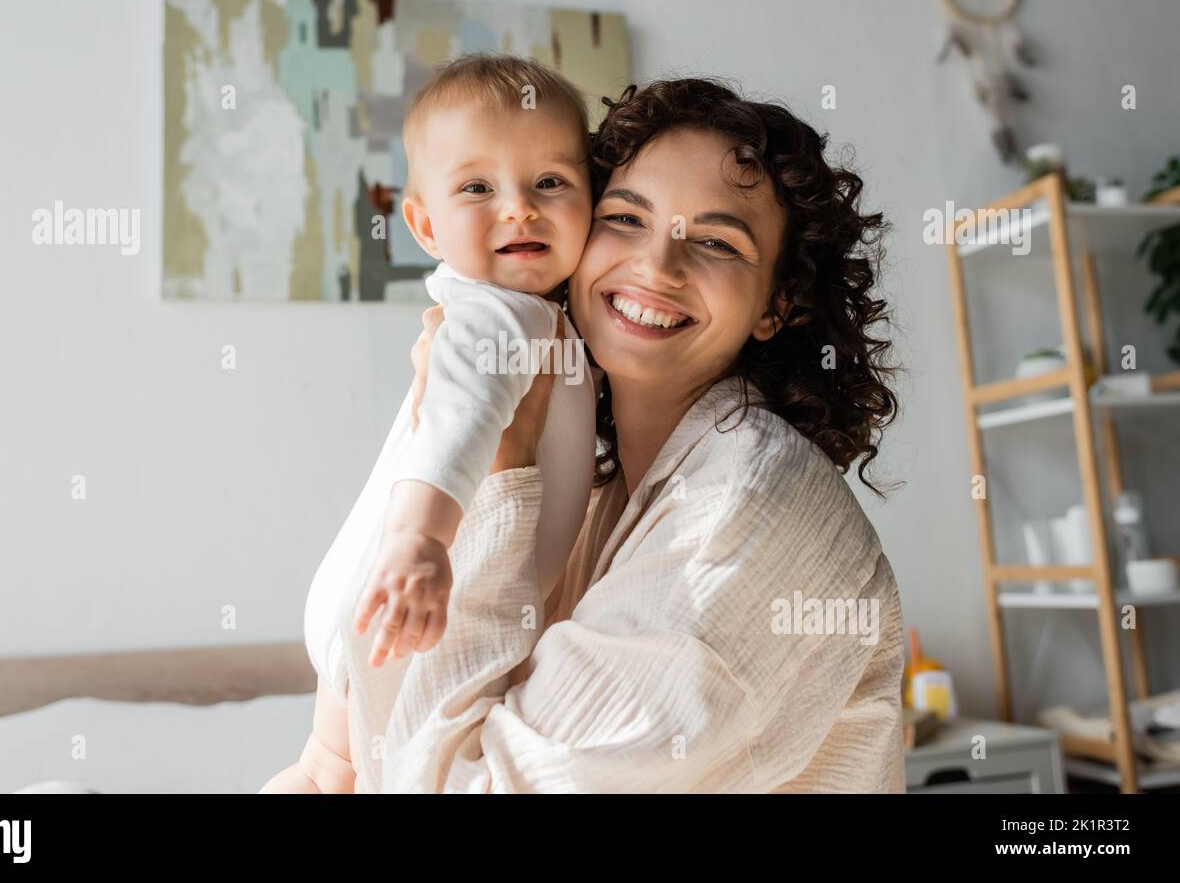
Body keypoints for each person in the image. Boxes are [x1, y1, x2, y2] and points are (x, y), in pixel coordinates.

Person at [343, 77, 907, 792]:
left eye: (714, 240)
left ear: (777, 304)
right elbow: (388, 734)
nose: (656, 266)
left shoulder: (743, 507)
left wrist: (502, 476)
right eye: (625, 218)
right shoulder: (593, 489)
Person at [260, 54, 596, 794]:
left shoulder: (541, 318)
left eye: (551, 182)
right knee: (328, 773)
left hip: (391, 596)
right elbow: (460, 422)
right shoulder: (499, 315)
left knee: (325, 772)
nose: (519, 207)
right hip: (418, 588)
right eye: (478, 187)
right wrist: (422, 540)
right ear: (424, 224)